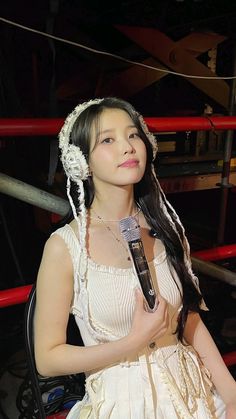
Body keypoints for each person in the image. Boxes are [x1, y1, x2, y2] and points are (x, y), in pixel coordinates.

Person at [34, 97, 236, 418]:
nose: (127, 147)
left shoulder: (165, 225)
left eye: (133, 135)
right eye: (108, 140)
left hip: (191, 393)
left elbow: (189, 318)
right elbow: (47, 359)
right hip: (122, 403)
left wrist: (231, 393)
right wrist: (132, 342)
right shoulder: (65, 246)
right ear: (80, 161)